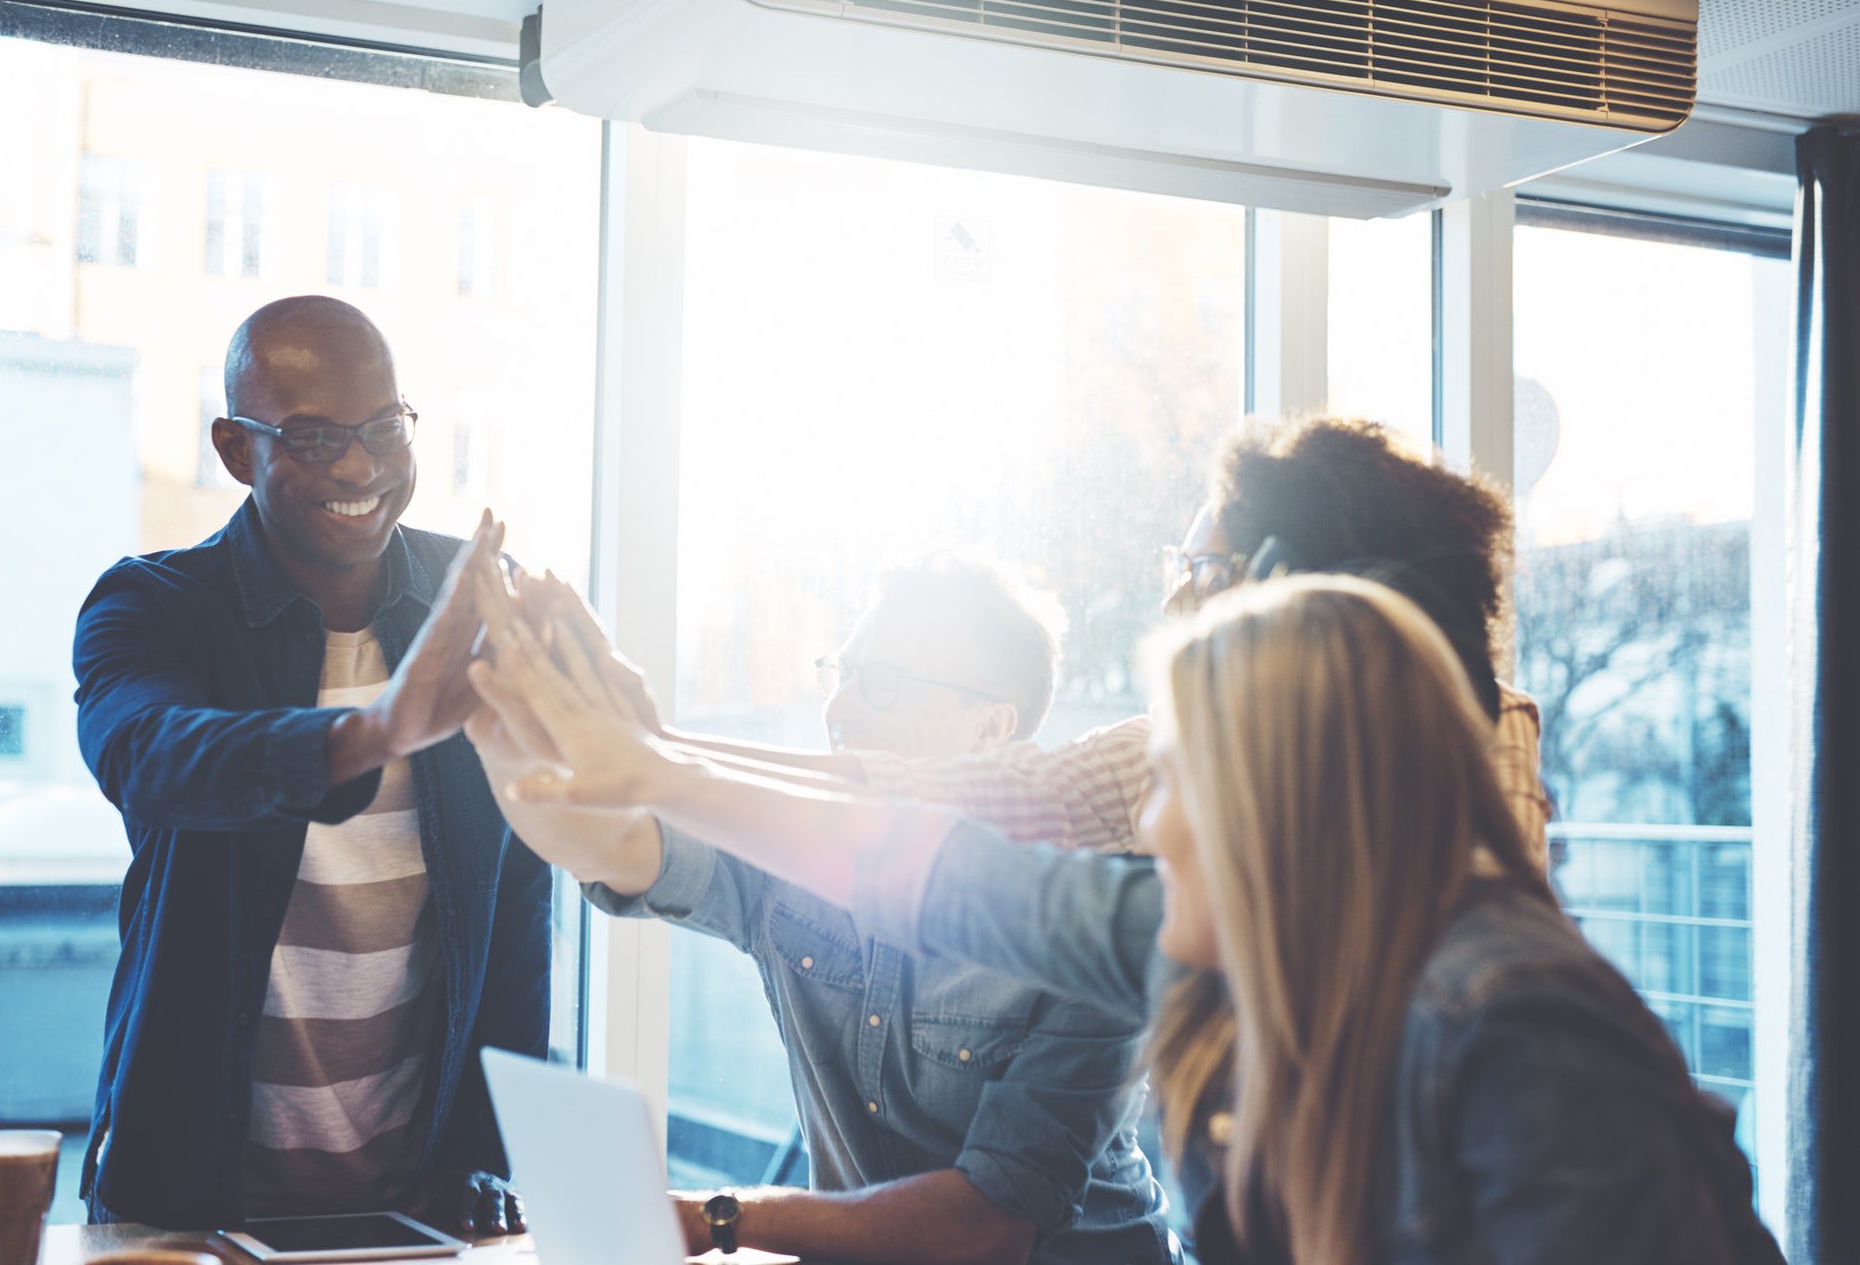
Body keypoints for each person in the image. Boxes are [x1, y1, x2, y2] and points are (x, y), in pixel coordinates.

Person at [469, 572, 1784, 1265]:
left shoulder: (1514, 1019)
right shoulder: (1195, 936)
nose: (1149, 826)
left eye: (1181, 787)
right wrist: (632, 755)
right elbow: (928, 866)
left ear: (1296, 808)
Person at [465, 555, 1177, 1265]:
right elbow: (610, 841)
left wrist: (711, 1216)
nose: (839, 709)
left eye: (883, 684)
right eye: (842, 674)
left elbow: (989, 1226)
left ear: (990, 731)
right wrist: (496, 716)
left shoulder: (1087, 925)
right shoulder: (792, 856)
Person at [556, 415, 1551, 862]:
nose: (1172, 608)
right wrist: (655, 751)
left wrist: (654, 760)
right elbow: (968, 795)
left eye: (1200, 574)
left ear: (1305, 590)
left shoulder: (1480, 749)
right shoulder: (1180, 759)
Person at [72, 296, 546, 1232]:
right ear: (234, 449)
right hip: (186, 1200)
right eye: (316, 439)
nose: (363, 466)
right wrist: (376, 729)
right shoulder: (155, 606)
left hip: (420, 1209)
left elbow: (518, 907)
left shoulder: (474, 606)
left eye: (382, 429)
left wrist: (493, 1158)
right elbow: (149, 754)